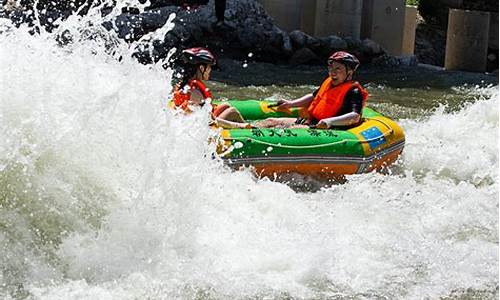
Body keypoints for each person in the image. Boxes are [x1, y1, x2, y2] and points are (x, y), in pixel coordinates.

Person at [255, 51, 369, 129]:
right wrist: (291, 104)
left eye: (338, 69)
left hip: (328, 128)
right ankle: (243, 130)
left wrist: (330, 122)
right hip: (311, 121)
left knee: (290, 129)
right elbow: (313, 97)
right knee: (271, 121)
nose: (332, 72)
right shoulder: (329, 83)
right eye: (331, 68)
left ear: (349, 73)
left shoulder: (354, 91)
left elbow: (355, 116)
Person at [171, 47, 249, 128]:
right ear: (201, 68)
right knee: (232, 112)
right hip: (198, 129)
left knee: (225, 106)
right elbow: (209, 121)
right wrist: (239, 125)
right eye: (208, 67)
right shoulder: (195, 93)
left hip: (191, 122)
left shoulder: (185, 85)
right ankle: (251, 132)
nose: (210, 70)